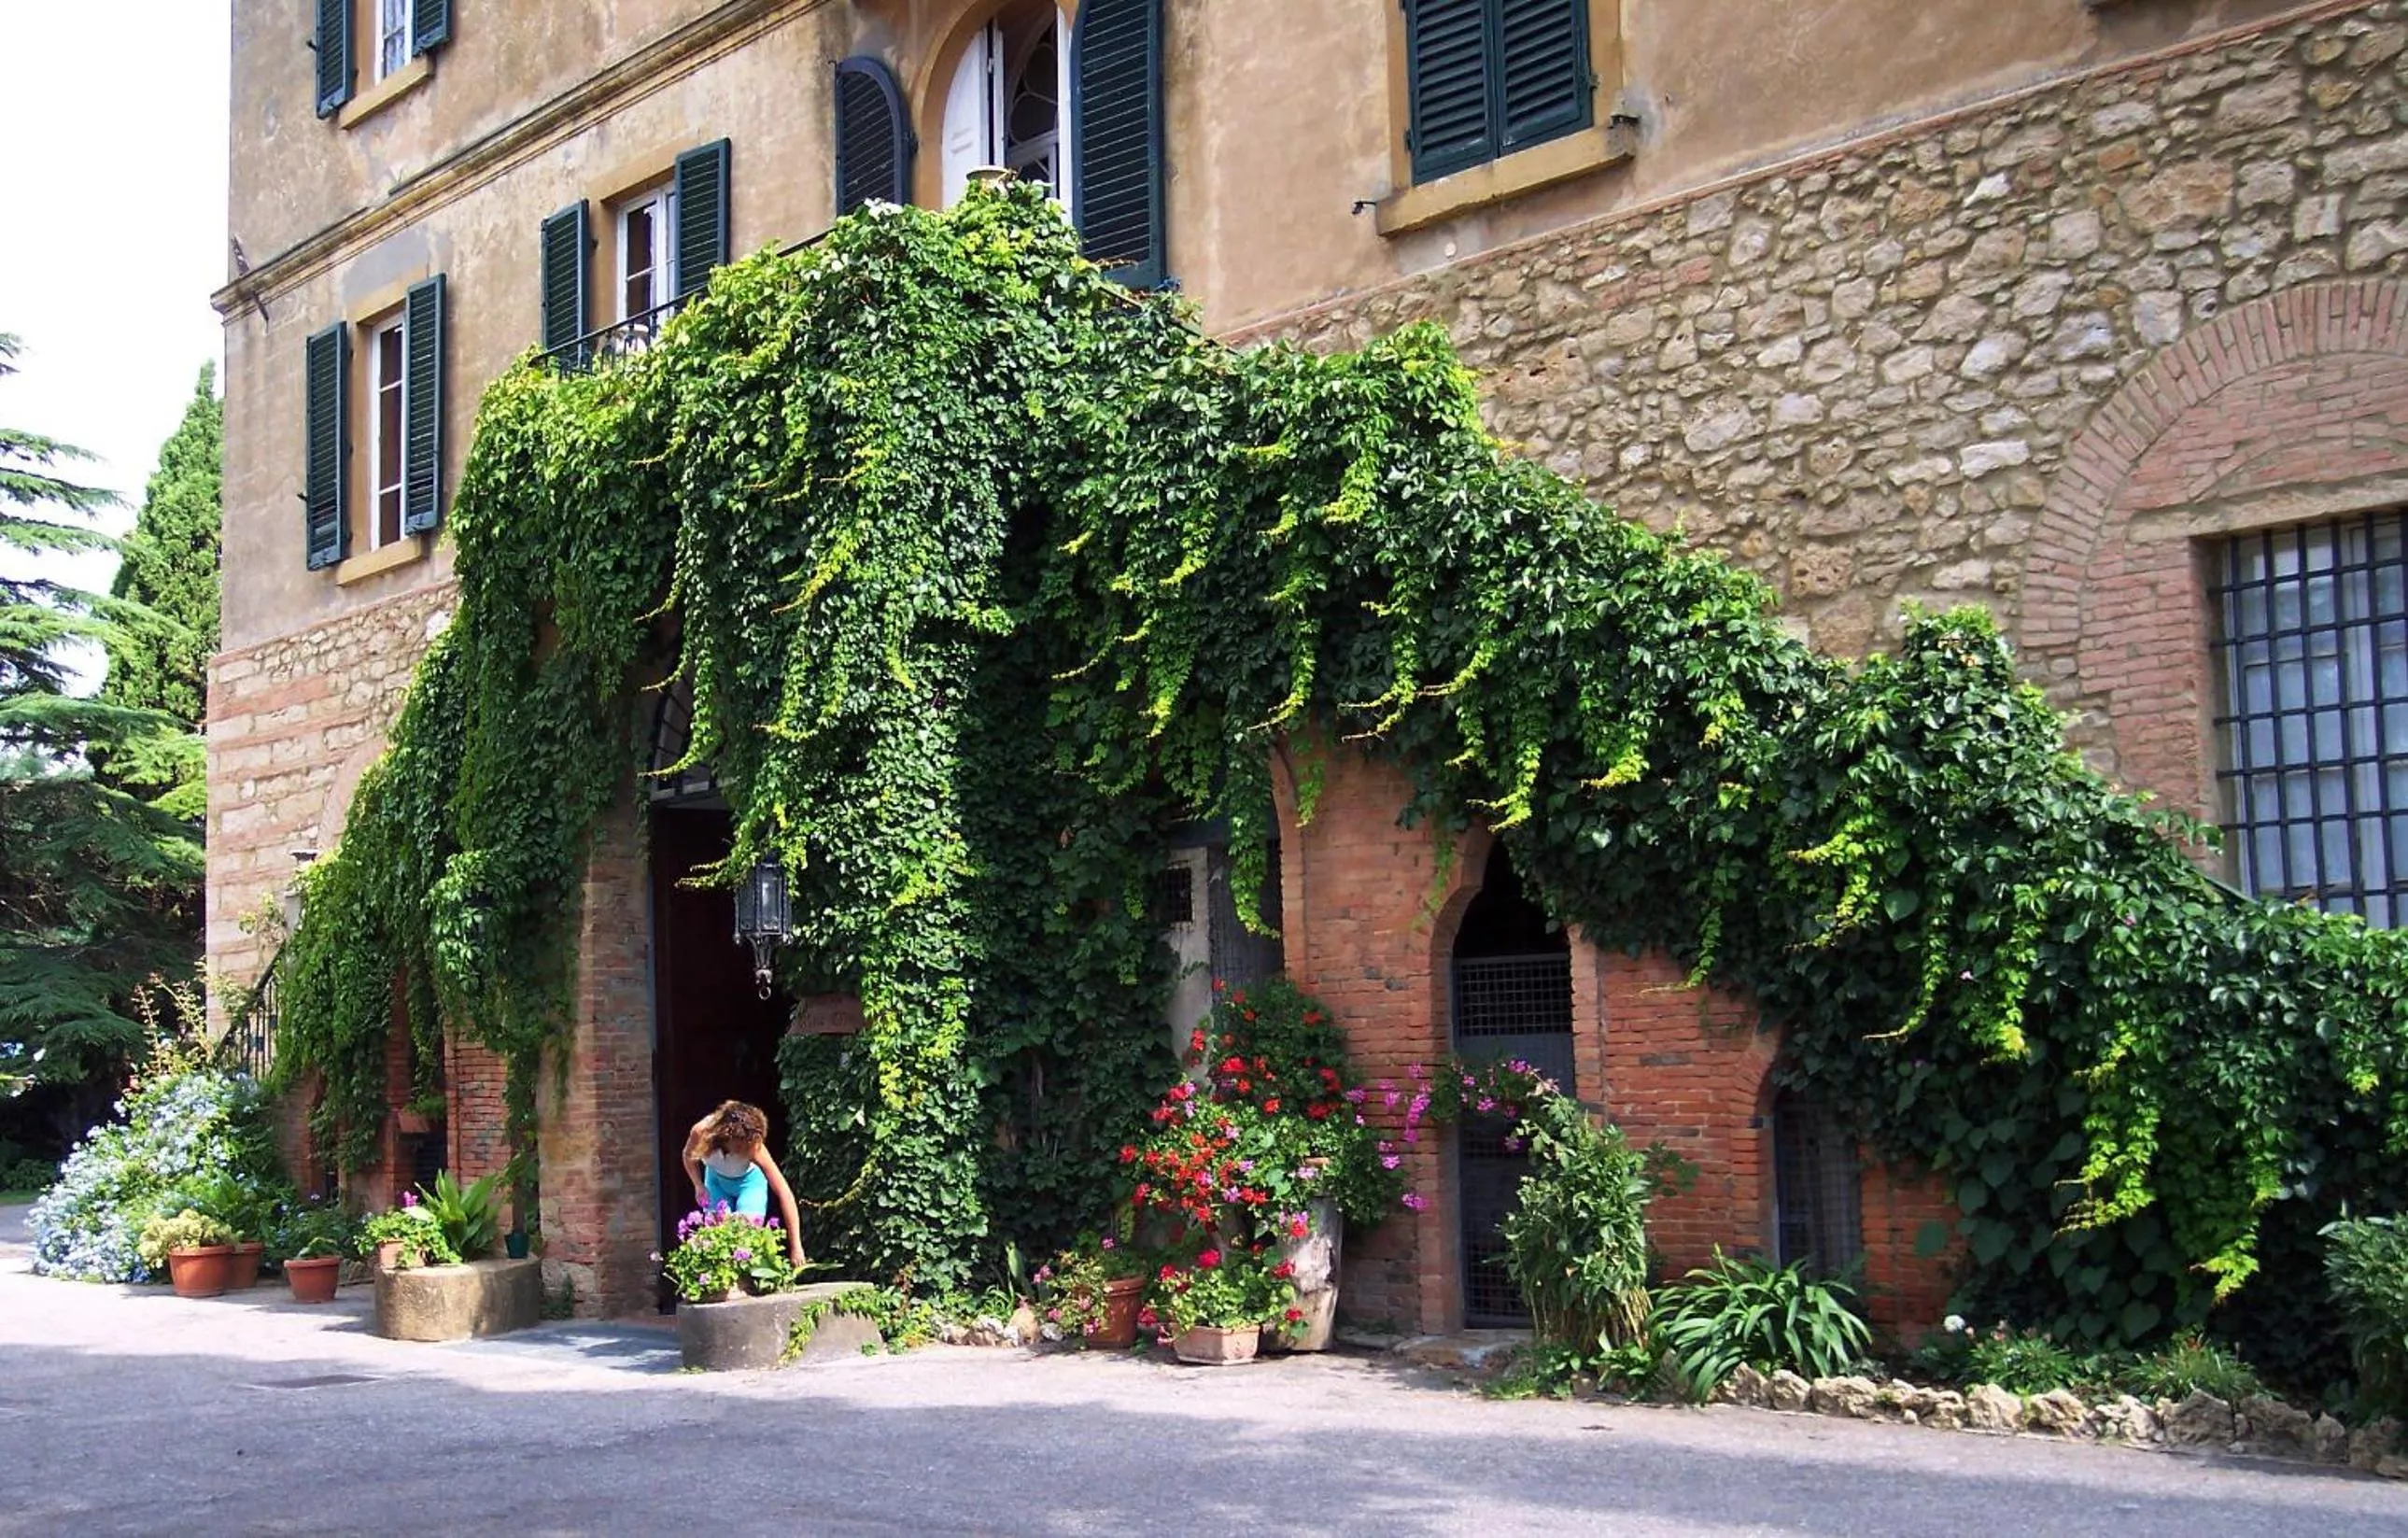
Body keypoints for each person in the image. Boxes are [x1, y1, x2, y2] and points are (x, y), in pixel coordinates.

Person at [683, 1100, 805, 1268]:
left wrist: (796, 1246)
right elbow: (688, 1156)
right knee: (716, 1235)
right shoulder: (701, 1131)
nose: (746, 1149)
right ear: (727, 1135)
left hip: (749, 1184)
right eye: (741, 1145)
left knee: (746, 1234)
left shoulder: (754, 1146)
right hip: (716, 1182)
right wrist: (698, 1184)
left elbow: (784, 1192)